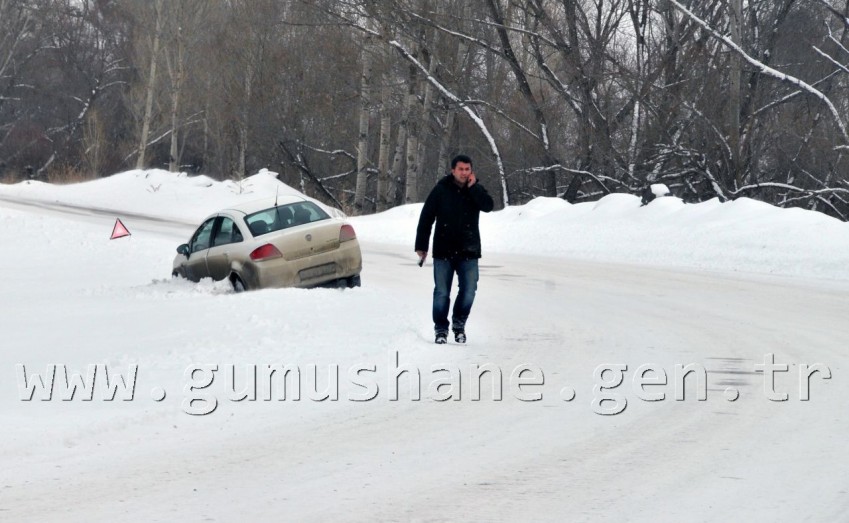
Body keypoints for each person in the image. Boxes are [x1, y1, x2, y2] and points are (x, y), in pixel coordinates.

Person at [415, 154, 494, 344]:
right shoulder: (441, 190)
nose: (464, 173)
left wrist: (474, 188)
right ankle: (441, 329)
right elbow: (426, 217)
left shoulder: (475, 189)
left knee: (469, 291)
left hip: (469, 250)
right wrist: (421, 246)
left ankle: (459, 325)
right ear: (453, 171)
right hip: (444, 250)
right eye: (461, 169)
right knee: (442, 292)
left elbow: (488, 206)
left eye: (467, 169)